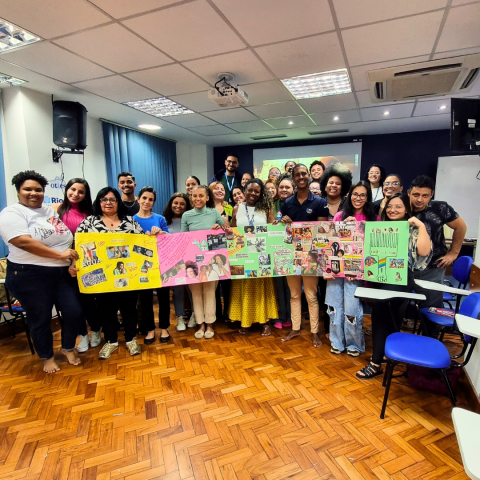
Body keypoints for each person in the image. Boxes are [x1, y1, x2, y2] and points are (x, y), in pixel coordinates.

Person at [0, 170, 83, 373]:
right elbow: (23, 242)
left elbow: (64, 238)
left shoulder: (49, 212)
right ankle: (46, 357)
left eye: (38, 189)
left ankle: (67, 347)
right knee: (41, 317)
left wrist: (71, 260)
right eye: (27, 189)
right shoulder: (12, 213)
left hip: (61, 274)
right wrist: (60, 256)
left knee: (74, 311)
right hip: (29, 275)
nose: (33, 193)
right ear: (18, 191)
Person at [356, 193, 432, 379]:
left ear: (406, 208)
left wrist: (421, 226)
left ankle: (376, 362)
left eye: (398, 206)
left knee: (384, 315)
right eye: (389, 206)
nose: (393, 210)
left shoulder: (413, 228)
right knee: (384, 316)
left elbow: (423, 251)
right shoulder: (379, 227)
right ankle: (385, 357)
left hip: (401, 278)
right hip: (380, 277)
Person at [73, 187, 143, 359]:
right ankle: (111, 341)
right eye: (104, 199)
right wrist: (73, 263)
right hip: (102, 278)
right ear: (98, 202)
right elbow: (78, 247)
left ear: (118, 202)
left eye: (112, 199)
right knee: (106, 310)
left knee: (129, 309)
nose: (108, 203)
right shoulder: (89, 222)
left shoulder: (130, 222)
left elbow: (142, 243)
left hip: (127, 276)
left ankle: (131, 339)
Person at [278, 164, 329, 348]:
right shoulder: (287, 203)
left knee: (311, 295)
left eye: (303, 174)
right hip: (291, 256)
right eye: (297, 174)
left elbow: (322, 232)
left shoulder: (320, 202)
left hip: (311, 257)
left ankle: (315, 332)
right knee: (294, 294)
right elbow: (283, 230)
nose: (300, 177)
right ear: (293, 178)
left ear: (308, 176)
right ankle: (296, 328)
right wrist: (283, 222)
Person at [326, 181, 379, 357]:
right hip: (336, 271)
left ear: (368, 198)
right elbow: (331, 244)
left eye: (363, 195)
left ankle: (354, 344)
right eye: (356, 194)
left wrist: (357, 230)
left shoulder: (373, 219)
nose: (359, 198)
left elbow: (373, 250)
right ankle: (336, 342)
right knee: (334, 307)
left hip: (356, 273)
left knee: (352, 309)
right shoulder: (340, 216)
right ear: (350, 195)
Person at [54, 178, 102, 353]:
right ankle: (82, 334)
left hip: (86, 264)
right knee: (73, 305)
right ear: (67, 189)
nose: (75, 194)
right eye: (72, 189)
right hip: (62, 265)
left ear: (85, 195)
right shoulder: (56, 211)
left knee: (89, 302)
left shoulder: (91, 212)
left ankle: (96, 331)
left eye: (81, 192)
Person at [408, 175, 467, 315]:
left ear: (431, 195)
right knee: (400, 304)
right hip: (405, 268)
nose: (420, 199)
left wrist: (453, 253)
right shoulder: (400, 207)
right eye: (416, 194)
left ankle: (431, 335)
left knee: (432, 309)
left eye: (425, 195)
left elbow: (461, 227)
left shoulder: (440, 207)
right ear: (409, 192)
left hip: (433, 268)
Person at [230, 179, 277, 335]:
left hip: (261, 254)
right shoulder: (237, 209)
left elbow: (272, 230)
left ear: (261, 193)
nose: (253, 194)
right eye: (250, 190)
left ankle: (265, 322)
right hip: (243, 255)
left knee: (262, 288)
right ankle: (245, 321)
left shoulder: (267, 208)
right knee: (244, 288)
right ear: (245, 189)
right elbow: (233, 231)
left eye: (257, 191)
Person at [181, 185, 226, 339]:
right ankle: (200, 324)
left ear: (207, 198)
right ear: (191, 197)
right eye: (194, 196)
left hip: (211, 261)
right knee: (196, 293)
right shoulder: (186, 215)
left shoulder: (214, 213)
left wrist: (218, 228)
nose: (197, 199)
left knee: (209, 293)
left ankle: (210, 324)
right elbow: (182, 238)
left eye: (201, 196)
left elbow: (224, 230)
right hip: (191, 261)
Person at [133, 186, 171, 344]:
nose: (147, 202)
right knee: (145, 299)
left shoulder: (160, 219)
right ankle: (150, 329)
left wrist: (161, 234)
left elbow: (169, 239)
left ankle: (164, 328)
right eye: (144, 198)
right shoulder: (132, 220)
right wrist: (143, 238)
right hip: (142, 266)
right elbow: (129, 244)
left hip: (161, 263)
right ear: (138, 199)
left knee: (163, 297)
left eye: (150, 199)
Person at [163, 192, 196, 331]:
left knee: (192, 289)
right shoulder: (164, 220)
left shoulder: (191, 218)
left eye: (182, 204)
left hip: (190, 260)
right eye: (175, 203)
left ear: (186, 206)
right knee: (177, 290)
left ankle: (195, 314)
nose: (178, 206)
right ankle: (180, 318)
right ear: (171, 204)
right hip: (172, 262)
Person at [271, 175, 295, 330]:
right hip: (275, 250)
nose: (284, 190)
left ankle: (291, 317)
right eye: (282, 187)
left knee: (291, 287)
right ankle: (279, 316)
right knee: (278, 285)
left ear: (293, 189)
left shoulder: (295, 204)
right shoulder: (272, 205)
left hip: (293, 250)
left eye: (287, 187)